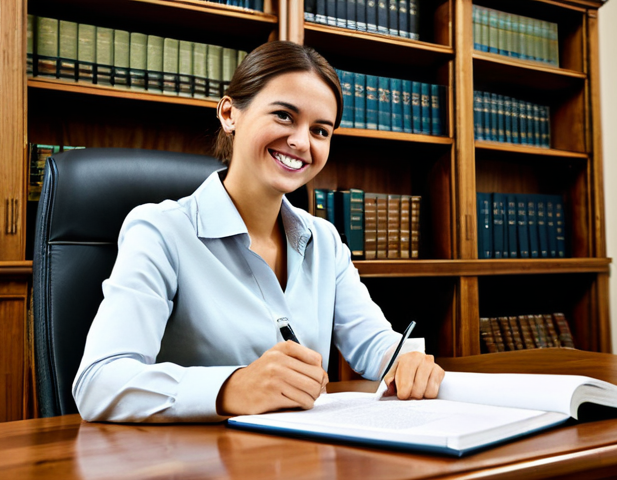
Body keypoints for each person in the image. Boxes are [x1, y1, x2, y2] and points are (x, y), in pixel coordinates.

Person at [73, 41, 445, 423]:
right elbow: (99, 382)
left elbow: (373, 343)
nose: (302, 142)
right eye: (284, 116)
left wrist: (405, 361)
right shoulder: (161, 231)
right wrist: (232, 387)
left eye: (320, 130)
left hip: (301, 454)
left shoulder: (325, 240)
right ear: (230, 113)